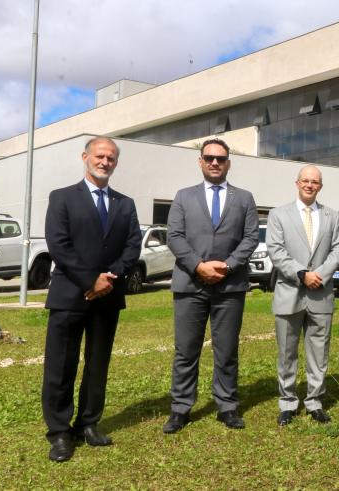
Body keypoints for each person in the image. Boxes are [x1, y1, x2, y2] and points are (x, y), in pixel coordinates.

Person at [41, 136, 142, 462]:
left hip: (107, 297)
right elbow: (59, 245)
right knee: (60, 366)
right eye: (99, 156)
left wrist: (109, 278)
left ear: (116, 162)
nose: (104, 162)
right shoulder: (62, 198)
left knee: (98, 364)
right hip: (69, 295)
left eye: (110, 158)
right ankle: (59, 432)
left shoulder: (125, 204)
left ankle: (88, 423)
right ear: (85, 157)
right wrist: (90, 280)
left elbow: (133, 245)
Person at [163, 138, 259, 433]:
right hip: (190, 284)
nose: (215, 162)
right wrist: (199, 266)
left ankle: (227, 406)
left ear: (228, 162)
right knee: (186, 350)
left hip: (230, 286)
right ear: (200, 161)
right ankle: (180, 408)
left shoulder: (244, 198)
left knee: (226, 350)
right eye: (209, 158)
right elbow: (174, 236)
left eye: (220, 158)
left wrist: (227, 266)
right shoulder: (183, 196)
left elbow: (251, 238)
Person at [266, 165, 339, 425]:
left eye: (315, 182)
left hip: (321, 293)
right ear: (297, 183)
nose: (310, 185)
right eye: (306, 181)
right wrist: (302, 274)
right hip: (289, 293)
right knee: (286, 353)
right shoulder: (278, 215)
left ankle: (314, 402)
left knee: (319, 353)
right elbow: (276, 251)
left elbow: (337, 250)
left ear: (320, 186)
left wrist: (318, 275)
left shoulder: (332, 215)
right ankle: (287, 402)